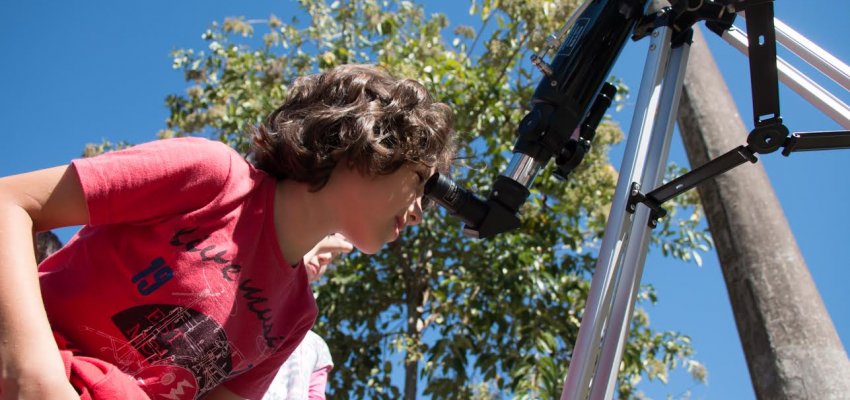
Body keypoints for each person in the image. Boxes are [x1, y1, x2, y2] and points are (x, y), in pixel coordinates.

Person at [0, 64, 455, 400]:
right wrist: (33, 375)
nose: (418, 213)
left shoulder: (296, 315)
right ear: (366, 145)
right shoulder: (212, 176)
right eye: (420, 182)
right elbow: (9, 203)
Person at [263, 233, 352, 400]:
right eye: (324, 239)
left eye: (333, 254)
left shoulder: (316, 347)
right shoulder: (249, 299)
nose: (326, 257)